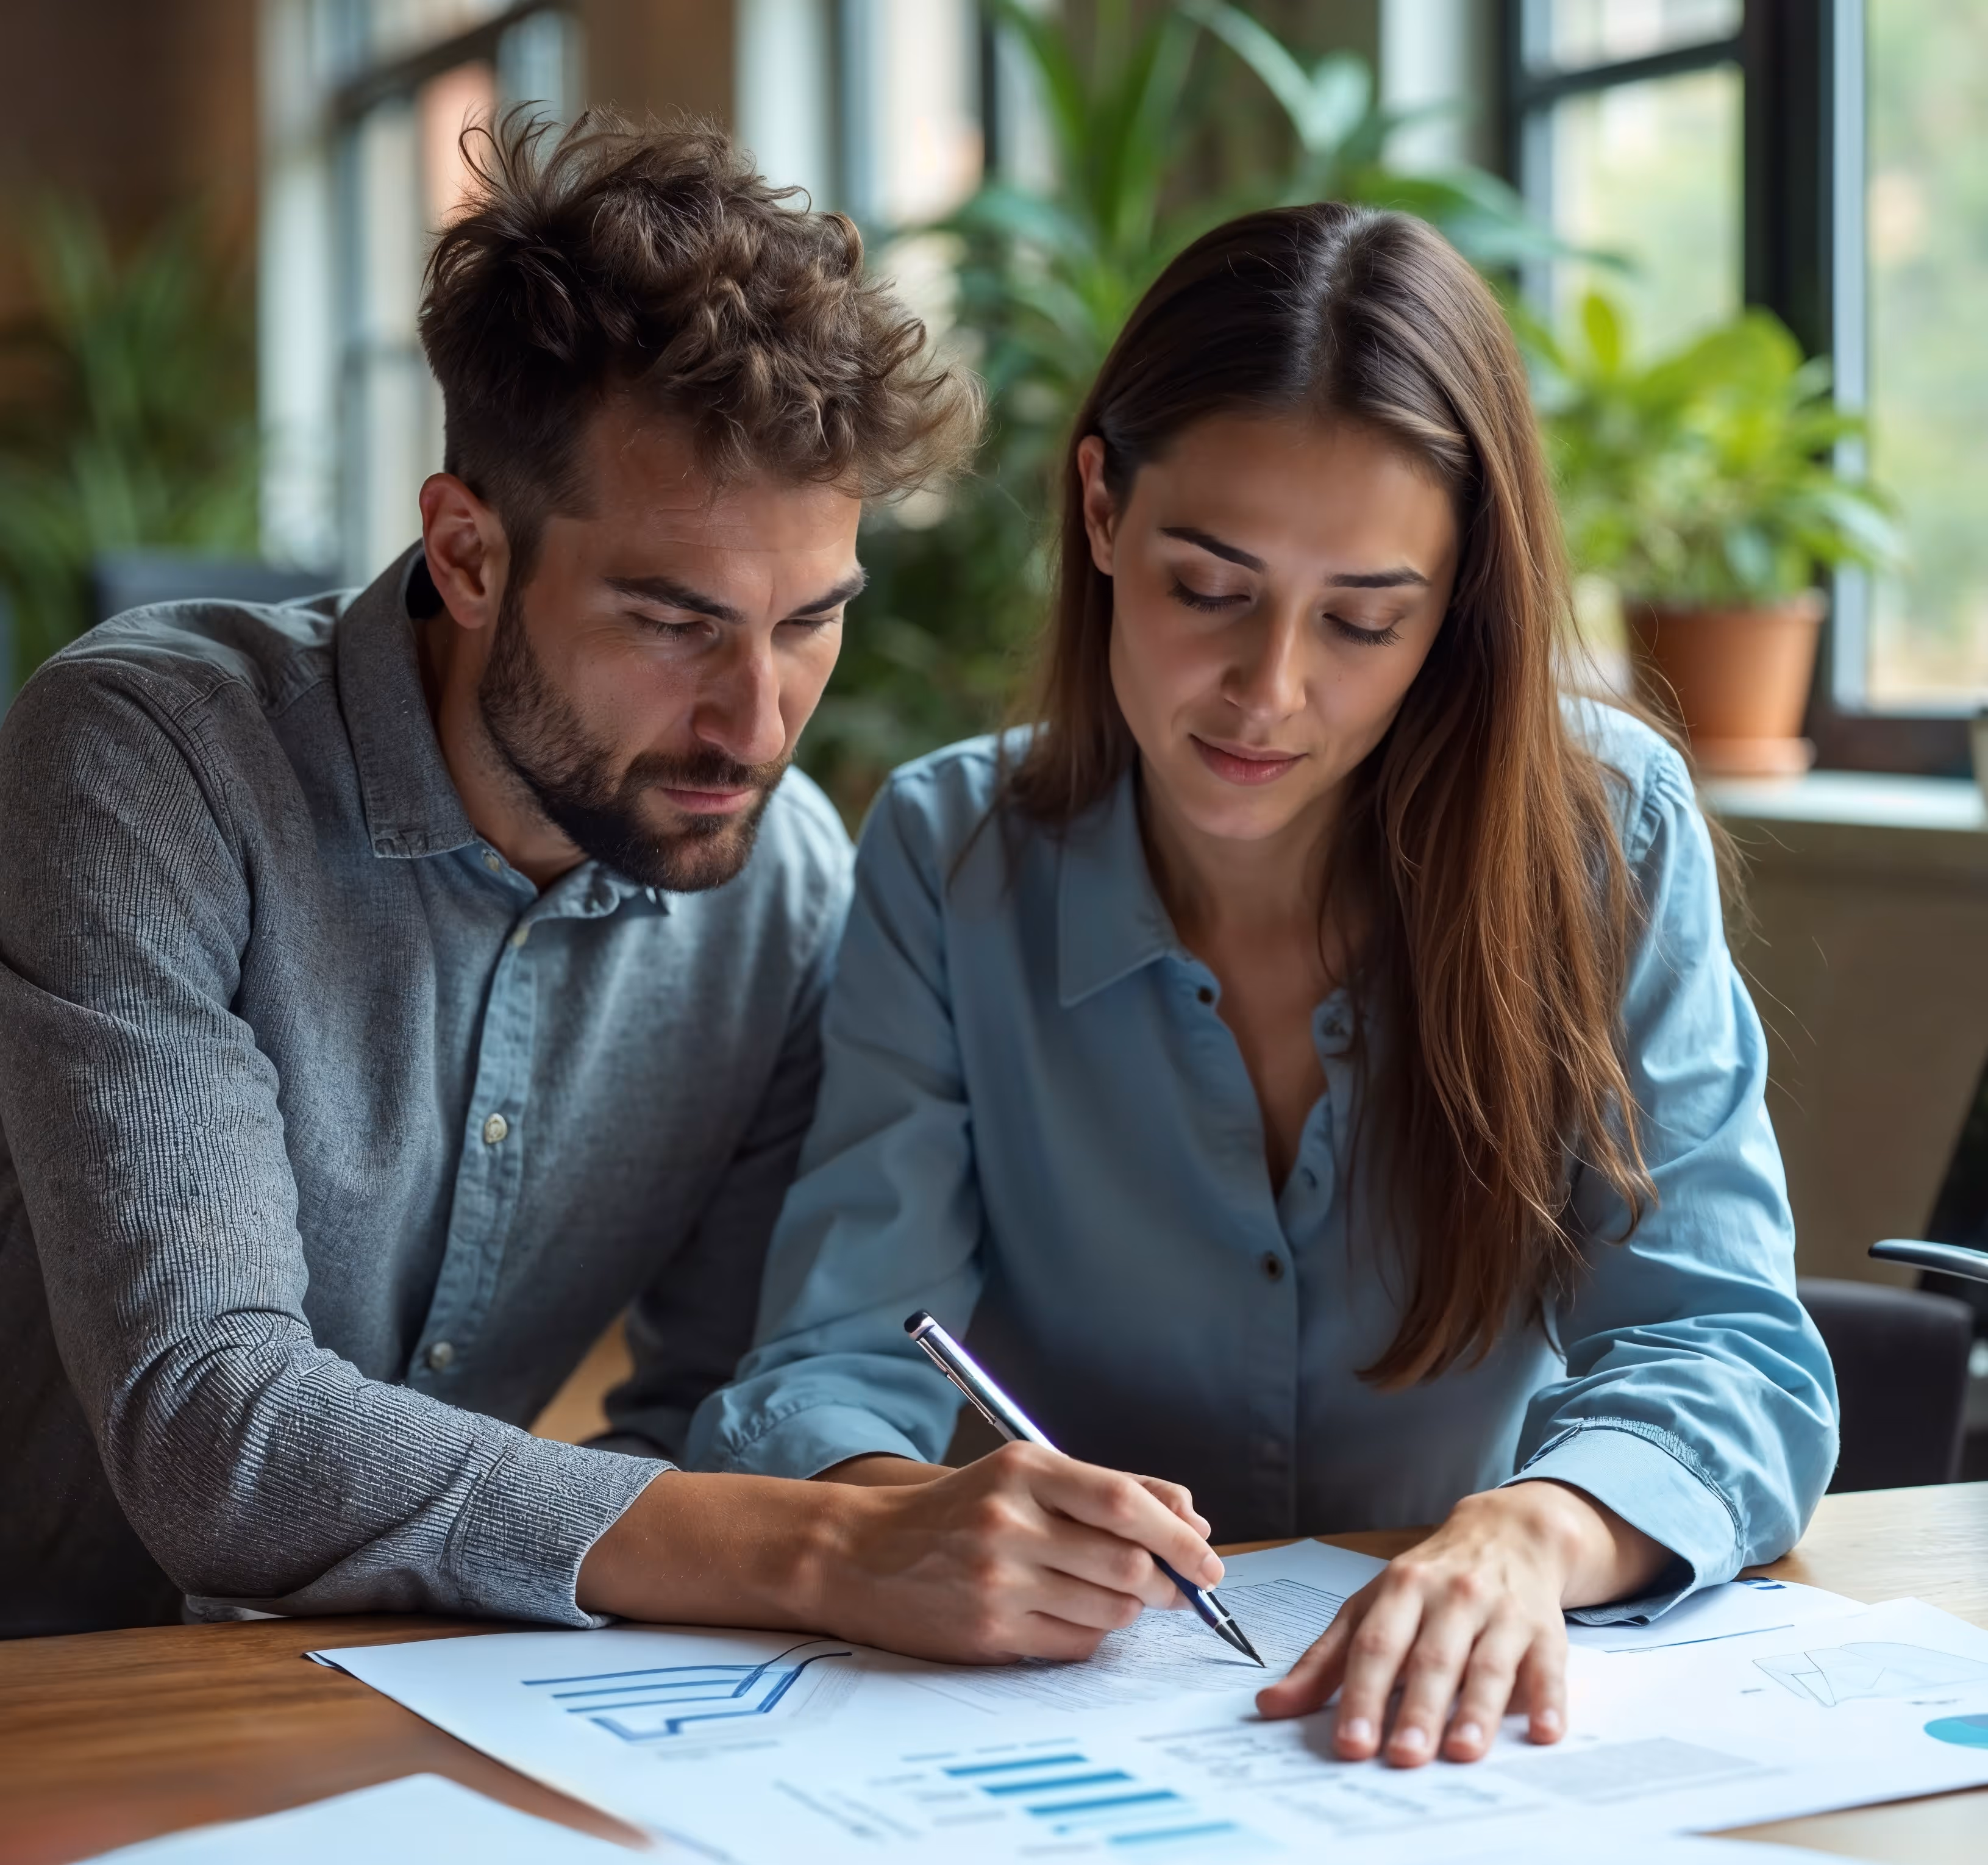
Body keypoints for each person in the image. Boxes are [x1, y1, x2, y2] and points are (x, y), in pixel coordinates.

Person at [0, 114, 1224, 1646]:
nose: (757, 719)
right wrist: (822, 1547)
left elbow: (703, 1414)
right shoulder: (147, 759)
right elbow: (212, 1427)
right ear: (466, 555)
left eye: (808, 622)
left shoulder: (775, 888)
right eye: (671, 621)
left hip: (408, 1695)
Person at [688, 202, 1839, 1765]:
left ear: (1453, 610)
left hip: (1461, 1737)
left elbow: (1728, 1351)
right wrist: (909, 1514)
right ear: (1101, 508)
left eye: (1366, 618)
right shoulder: (950, 851)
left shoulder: (1600, 831)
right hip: (1060, 1725)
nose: (1269, 690)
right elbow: (828, 1364)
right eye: (1209, 587)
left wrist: (1532, 1532)